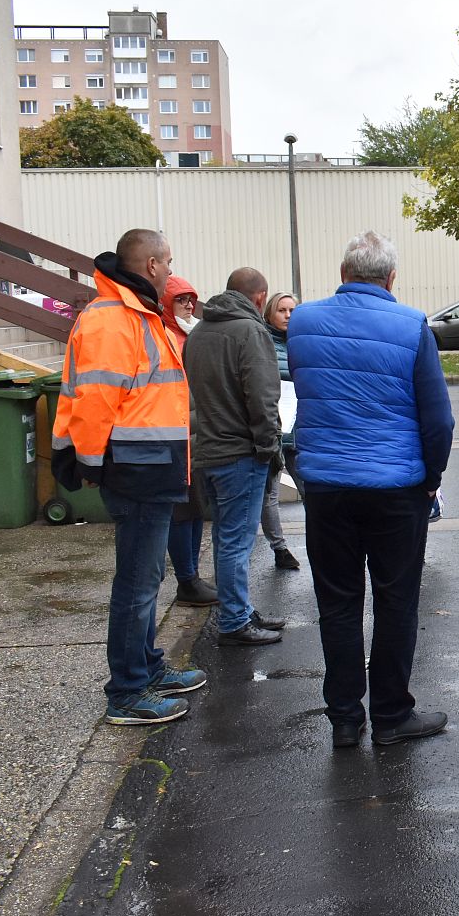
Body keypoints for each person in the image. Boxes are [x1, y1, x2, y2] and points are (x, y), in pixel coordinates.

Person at [288, 231, 455, 748]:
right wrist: (430, 480)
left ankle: (343, 719)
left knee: (336, 604)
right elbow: (439, 420)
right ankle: (390, 716)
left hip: (327, 488)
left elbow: (307, 390)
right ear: (391, 279)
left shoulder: (302, 322)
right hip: (394, 489)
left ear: (343, 274)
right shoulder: (411, 326)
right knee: (396, 602)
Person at [51, 229, 205, 725]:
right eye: (169, 261)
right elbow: (95, 400)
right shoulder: (114, 319)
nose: (169, 269)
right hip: (136, 468)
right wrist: (94, 464)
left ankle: (146, 669)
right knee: (137, 584)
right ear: (154, 265)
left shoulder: (134, 314)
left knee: (146, 577)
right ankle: (128, 691)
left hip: (149, 466)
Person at [182, 267, 285, 646]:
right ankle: (234, 621)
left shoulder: (198, 334)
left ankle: (238, 609)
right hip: (239, 453)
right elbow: (262, 397)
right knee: (235, 542)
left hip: (206, 450)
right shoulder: (251, 331)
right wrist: (268, 447)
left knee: (228, 539)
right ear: (260, 298)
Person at [158, 274, 216, 606]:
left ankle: (192, 575)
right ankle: (187, 578)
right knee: (182, 511)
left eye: (191, 299)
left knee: (194, 509)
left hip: (194, 435)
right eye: (181, 299)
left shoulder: (191, 334)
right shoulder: (167, 337)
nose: (189, 305)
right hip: (176, 436)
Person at [259, 291, 302, 571]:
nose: (288, 316)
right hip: (274, 430)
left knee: (311, 488)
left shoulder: (302, 343)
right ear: (270, 314)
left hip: (299, 429)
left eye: (292, 310)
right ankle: (280, 548)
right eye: (282, 310)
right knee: (270, 495)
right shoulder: (262, 343)